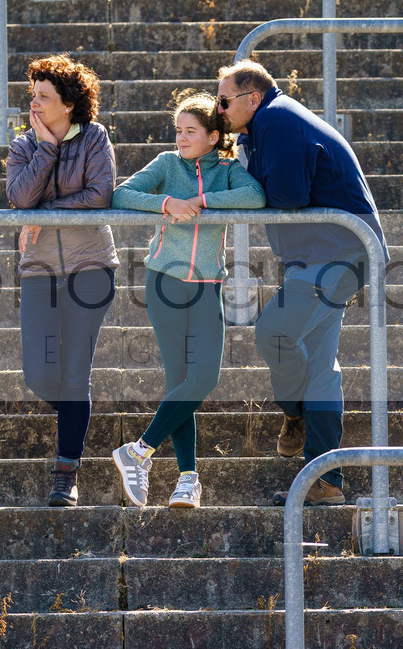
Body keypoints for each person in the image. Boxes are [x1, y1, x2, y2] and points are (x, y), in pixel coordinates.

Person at [215, 60, 389, 506]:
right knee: (321, 369)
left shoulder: (276, 117)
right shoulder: (270, 122)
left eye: (224, 100)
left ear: (253, 98)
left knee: (273, 332)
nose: (219, 109)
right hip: (328, 252)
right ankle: (328, 482)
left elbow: (288, 195)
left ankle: (295, 415)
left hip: (334, 251)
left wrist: (242, 186)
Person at [110, 92, 265, 508]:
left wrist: (202, 200)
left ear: (214, 137)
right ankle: (187, 480)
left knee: (202, 380)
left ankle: (138, 451)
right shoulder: (166, 164)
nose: (180, 137)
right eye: (178, 130)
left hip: (207, 286)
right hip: (164, 283)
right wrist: (166, 203)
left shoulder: (229, 172)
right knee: (179, 382)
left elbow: (256, 197)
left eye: (190, 131)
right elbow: (121, 195)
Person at [6, 54, 119, 507]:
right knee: (39, 374)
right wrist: (47, 148)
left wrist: (43, 215)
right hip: (39, 272)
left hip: (91, 267)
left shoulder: (95, 137)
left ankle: (65, 472)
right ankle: (79, 418)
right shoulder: (22, 146)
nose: (34, 104)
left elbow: (100, 195)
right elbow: (19, 197)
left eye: (44, 97)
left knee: (75, 374)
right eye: (33, 95)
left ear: (69, 104)